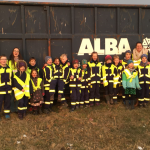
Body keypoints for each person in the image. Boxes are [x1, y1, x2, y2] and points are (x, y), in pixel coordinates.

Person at [8, 47, 23, 113]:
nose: (16, 52)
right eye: (15, 51)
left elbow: (25, 69)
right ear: (12, 52)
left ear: (19, 53)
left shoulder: (21, 61)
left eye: (17, 51)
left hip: (19, 81)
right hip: (11, 80)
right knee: (11, 96)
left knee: (18, 95)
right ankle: (12, 109)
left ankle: (17, 109)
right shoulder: (9, 61)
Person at [0, 55, 13, 120]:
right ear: (0, 60)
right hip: (0, 89)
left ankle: (7, 113)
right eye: (2, 59)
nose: (4, 60)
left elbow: (12, 78)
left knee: (7, 101)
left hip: (8, 88)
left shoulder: (9, 69)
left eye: (5, 59)